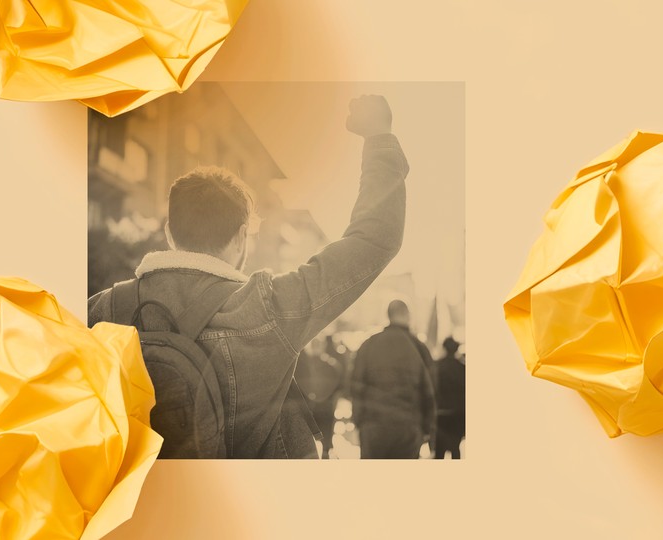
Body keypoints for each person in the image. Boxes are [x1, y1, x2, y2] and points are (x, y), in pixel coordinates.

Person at [88, 95, 409, 458]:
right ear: (242, 237)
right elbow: (374, 239)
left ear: (169, 232)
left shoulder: (100, 309)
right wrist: (378, 137)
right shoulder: (267, 308)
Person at [351, 300, 436, 459]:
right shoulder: (418, 347)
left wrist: (358, 421)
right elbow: (430, 391)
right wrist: (427, 428)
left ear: (388, 316)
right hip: (408, 427)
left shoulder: (369, 344)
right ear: (407, 316)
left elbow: (356, 386)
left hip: (373, 426)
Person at [433, 337, 465, 459]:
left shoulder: (437, 366)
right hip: (457, 414)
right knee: (455, 448)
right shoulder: (462, 368)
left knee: (439, 451)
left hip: (440, 414)